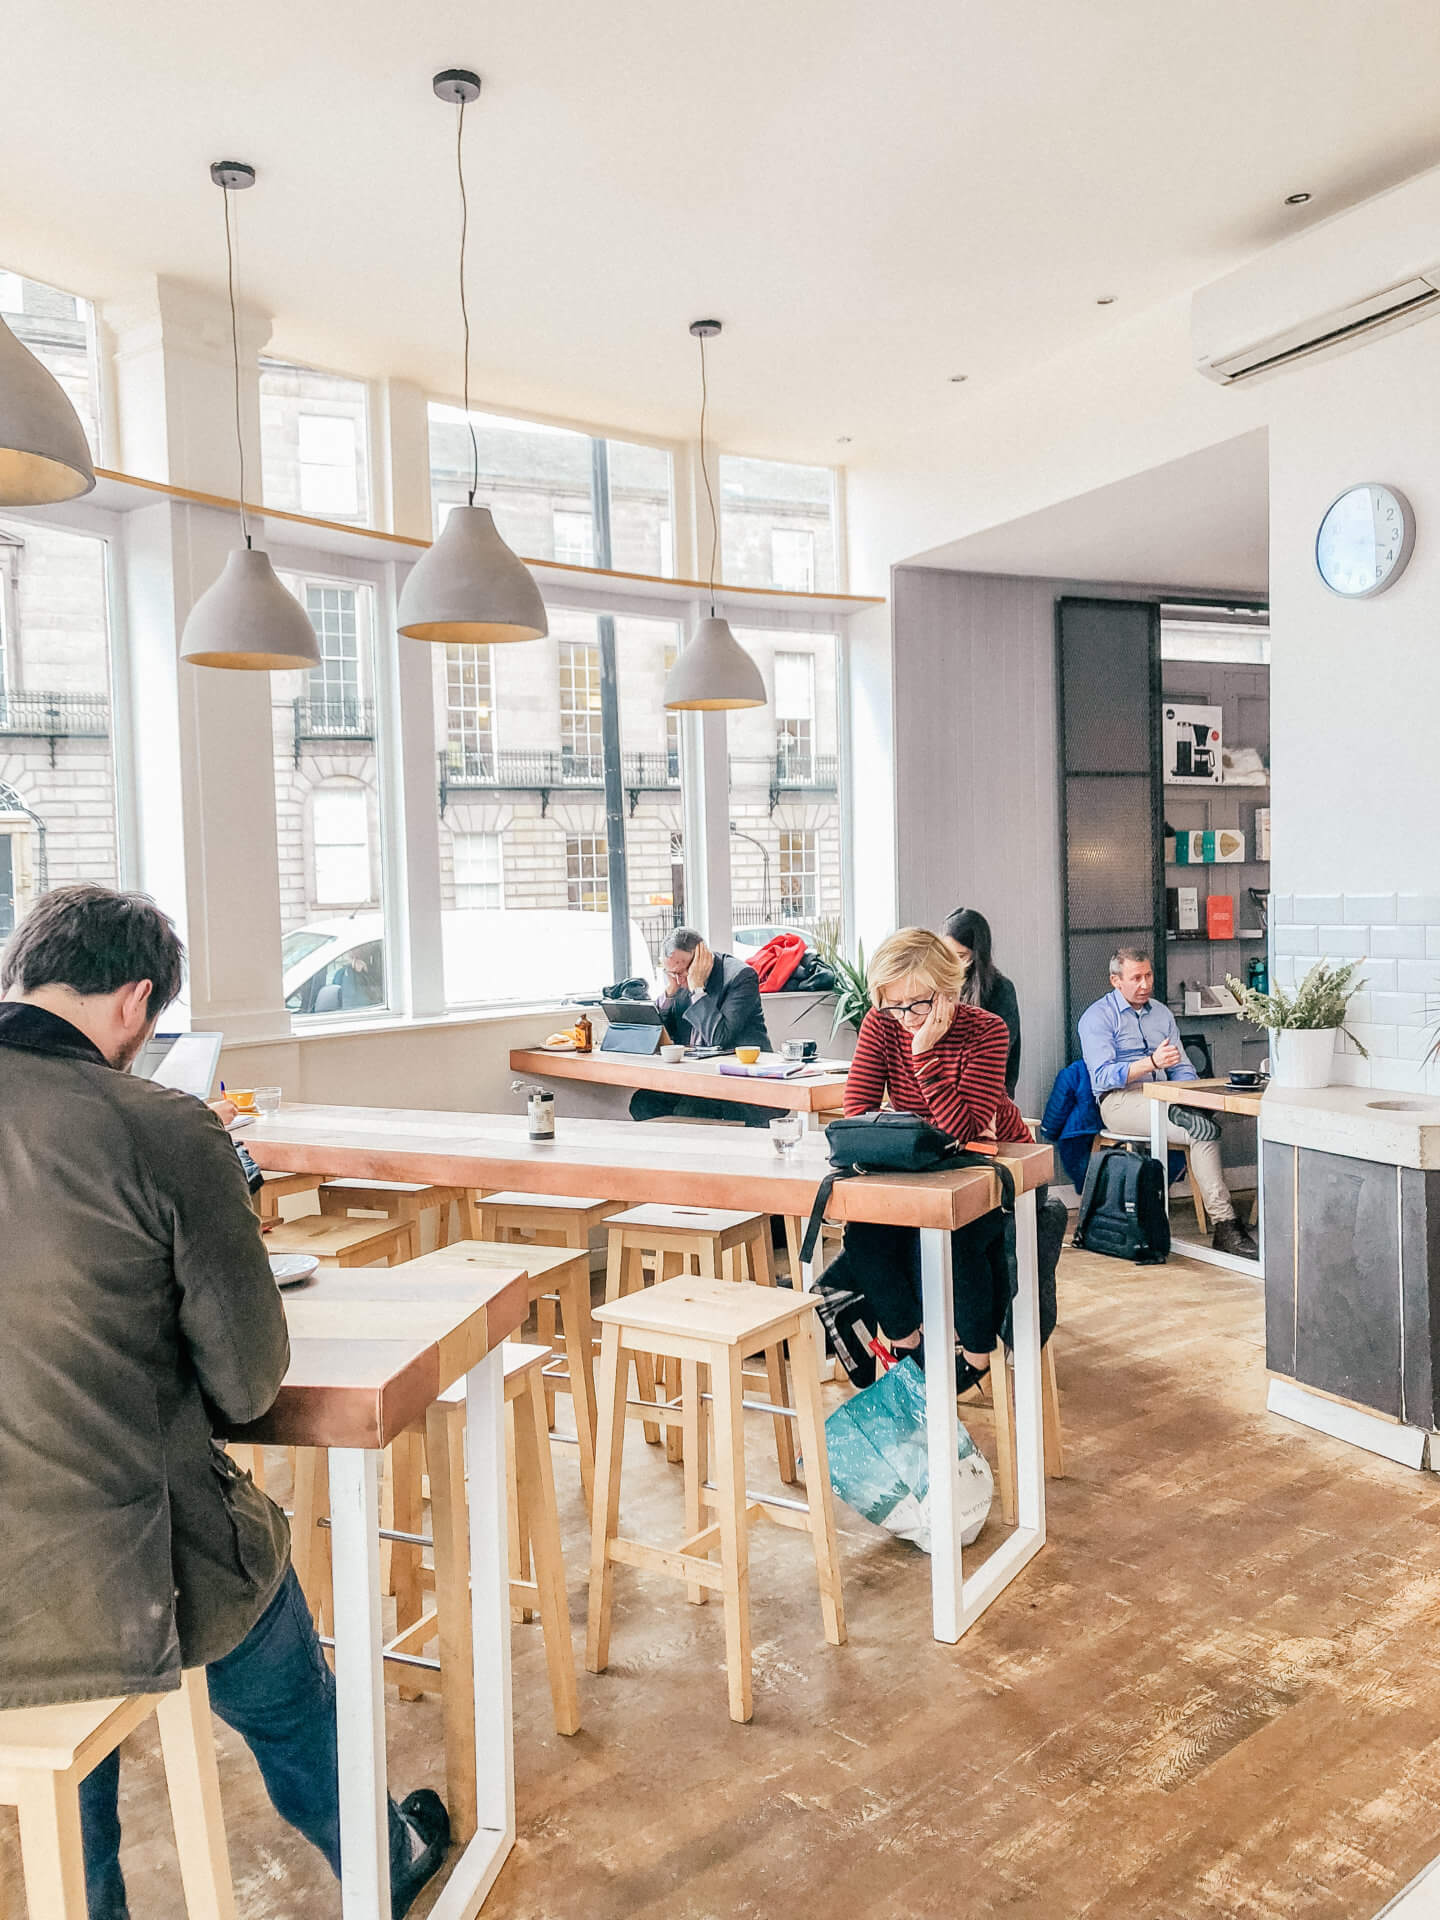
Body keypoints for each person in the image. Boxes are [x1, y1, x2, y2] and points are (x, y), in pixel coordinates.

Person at [0, 885, 449, 1920]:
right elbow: (249, 1380)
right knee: (286, 1692)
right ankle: (385, 1862)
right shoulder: (160, 1126)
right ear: (137, 1002)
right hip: (130, 1556)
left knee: (70, 1760)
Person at [832, 926, 1035, 1390]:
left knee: (960, 1236)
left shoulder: (986, 1030)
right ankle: (908, 1343)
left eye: (918, 1003)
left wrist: (924, 1057)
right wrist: (921, 1125)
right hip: (917, 1167)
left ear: (949, 991)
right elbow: (858, 1110)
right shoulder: (881, 1023)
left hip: (988, 1165)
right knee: (863, 1235)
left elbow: (963, 1129)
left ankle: (977, 1354)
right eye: (893, 1003)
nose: (905, 1017)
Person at [1077, 946, 1257, 1258]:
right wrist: (1150, 1063)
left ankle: (1230, 1222)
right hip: (1120, 1102)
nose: (1144, 984)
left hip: (1167, 1097)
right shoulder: (1096, 1017)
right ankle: (1226, 1223)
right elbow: (1103, 1077)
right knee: (1201, 1130)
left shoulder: (1160, 1013)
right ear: (1115, 981)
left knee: (1219, 1118)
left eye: (1148, 975)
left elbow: (1181, 1065)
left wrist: (1192, 1093)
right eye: (1136, 978)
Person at [628, 926, 779, 1127]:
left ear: (701, 957)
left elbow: (719, 1037)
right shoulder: (678, 980)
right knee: (643, 1103)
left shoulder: (740, 977)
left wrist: (697, 989)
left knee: (689, 1111)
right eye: (671, 973)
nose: (679, 980)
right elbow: (665, 1032)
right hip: (695, 1077)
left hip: (737, 1083)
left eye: (682, 972)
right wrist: (669, 995)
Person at [942, 906, 1021, 1097]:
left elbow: (996, 1054)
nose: (952, 962)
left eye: (960, 956)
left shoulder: (1001, 989)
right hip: (944, 1087)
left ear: (977, 954)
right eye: (946, 954)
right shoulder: (937, 985)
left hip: (986, 1089)